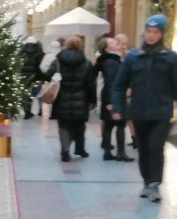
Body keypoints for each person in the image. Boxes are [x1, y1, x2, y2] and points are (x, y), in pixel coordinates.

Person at [112, 13, 177, 202]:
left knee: (156, 146)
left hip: (161, 112)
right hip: (139, 112)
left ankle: (155, 184)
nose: (151, 35)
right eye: (149, 31)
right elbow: (119, 85)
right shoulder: (133, 58)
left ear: (162, 34)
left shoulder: (171, 59)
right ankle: (147, 182)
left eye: (155, 32)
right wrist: (117, 107)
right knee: (144, 148)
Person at [43, 34, 96, 162]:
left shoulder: (58, 60)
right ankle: (79, 148)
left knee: (63, 125)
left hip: (62, 97)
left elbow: (48, 75)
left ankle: (65, 151)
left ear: (66, 45)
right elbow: (90, 83)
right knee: (79, 124)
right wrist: (92, 100)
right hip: (81, 98)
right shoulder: (87, 62)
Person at [93, 37, 132, 161]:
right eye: (113, 43)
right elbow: (112, 81)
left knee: (110, 124)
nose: (116, 43)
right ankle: (119, 153)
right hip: (113, 95)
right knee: (119, 124)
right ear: (107, 48)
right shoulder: (110, 61)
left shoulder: (112, 59)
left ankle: (109, 152)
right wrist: (112, 100)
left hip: (112, 94)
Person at [19, 35, 44, 118]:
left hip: (24, 77)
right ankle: (40, 110)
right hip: (35, 77)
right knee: (36, 92)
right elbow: (41, 67)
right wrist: (41, 78)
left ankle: (27, 111)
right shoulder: (39, 52)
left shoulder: (22, 52)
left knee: (25, 94)